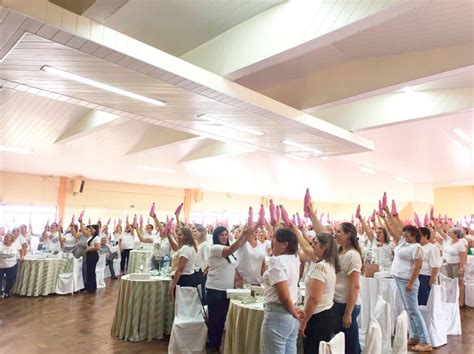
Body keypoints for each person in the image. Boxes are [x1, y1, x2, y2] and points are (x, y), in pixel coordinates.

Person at [206, 226, 253, 353]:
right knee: (215, 320)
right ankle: (212, 346)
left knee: (222, 320)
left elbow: (240, 244)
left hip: (226, 290)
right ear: (216, 236)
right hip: (215, 289)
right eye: (221, 235)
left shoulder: (230, 251)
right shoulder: (215, 248)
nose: (224, 237)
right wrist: (243, 233)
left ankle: (217, 345)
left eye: (226, 234)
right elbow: (232, 248)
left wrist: (250, 231)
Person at [260, 227, 304, 354]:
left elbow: (283, 295)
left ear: (285, 244)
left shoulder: (277, 261)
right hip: (290, 313)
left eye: (275, 239)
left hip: (278, 314)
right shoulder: (294, 258)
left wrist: (293, 312)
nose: (272, 242)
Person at [295, 231, 339, 354]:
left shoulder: (320, 268)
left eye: (315, 243)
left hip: (319, 316)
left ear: (324, 247)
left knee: (313, 349)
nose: (312, 245)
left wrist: (304, 321)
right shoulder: (329, 264)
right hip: (326, 313)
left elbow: (314, 299)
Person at [391, 225, 432, 352]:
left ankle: (425, 342)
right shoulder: (404, 244)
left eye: (407, 235)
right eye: (404, 235)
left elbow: (417, 267)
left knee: (414, 310)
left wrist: (410, 282)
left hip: (407, 281)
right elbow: (394, 229)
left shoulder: (417, 247)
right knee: (409, 310)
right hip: (399, 278)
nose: (404, 237)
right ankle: (415, 335)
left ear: (414, 236)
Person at [333, 222, 362, 354]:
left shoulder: (352, 255)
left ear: (348, 234)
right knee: (342, 342)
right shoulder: (340, 251)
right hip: (338, 302)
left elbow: (355, 286)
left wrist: (348, 313)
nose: (336, 234)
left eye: (339, 232)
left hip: (346, 305)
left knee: (350, 345)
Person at [167, 227, 198, 299]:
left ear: (186, 237)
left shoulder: (185, 249)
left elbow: (179, 270)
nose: (177, 237)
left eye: (180, 235)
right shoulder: (190, 247)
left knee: (180, 303)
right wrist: (169, 235)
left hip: (182, 279)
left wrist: (172, 286)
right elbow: (175, 247)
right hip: (188, 278)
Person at [418, 227, 441, 305]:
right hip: (417, 276)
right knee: (419, 299)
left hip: (426, 276)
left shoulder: (432, 248)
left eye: (419, 235)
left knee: (425, 299)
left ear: (425, 236)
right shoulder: (417, 247)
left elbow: (435, 266)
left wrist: (431, 280)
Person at [0, 233, 24, 298]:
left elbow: (21, 250)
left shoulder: (16, 244)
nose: (6, 238)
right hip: (1, 266)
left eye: (8, 237)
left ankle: (6, 291)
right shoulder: (0, 244)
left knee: (11, 279)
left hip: (11, 265)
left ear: (12, 239)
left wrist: (22, 257)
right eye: (5, 237)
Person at [193, 224, 210, 303]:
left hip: (201, 272)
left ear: (202, 233)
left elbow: (207, 259)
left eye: (196, 231)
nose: (194, 233)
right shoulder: (197, 244)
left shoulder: (204, 245)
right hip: (195, 271)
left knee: (201, 292)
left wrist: (205, 271)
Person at [83, 224, 100, 293]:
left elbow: (97, 247)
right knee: (89, 271)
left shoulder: (97, 238)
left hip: (93, 255)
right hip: (89, 255)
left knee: (91, 271)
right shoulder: (91, 237)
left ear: (95, 230)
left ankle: (91, 288)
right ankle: (90, 287)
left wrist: (88, 250)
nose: (90, 230)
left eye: (92, 229)